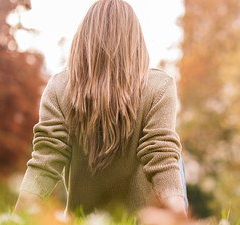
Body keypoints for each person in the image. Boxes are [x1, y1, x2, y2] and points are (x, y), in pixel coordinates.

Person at [15, 0, 187, 218]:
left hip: (84, 219)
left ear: (84, 38)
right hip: (140, 219)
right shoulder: (159, 86)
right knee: (173, 155)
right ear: (135, 40)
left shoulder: (58, 87)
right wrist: (179, 218)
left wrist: (15, 219)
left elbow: (45, 161)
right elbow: (161, 158)